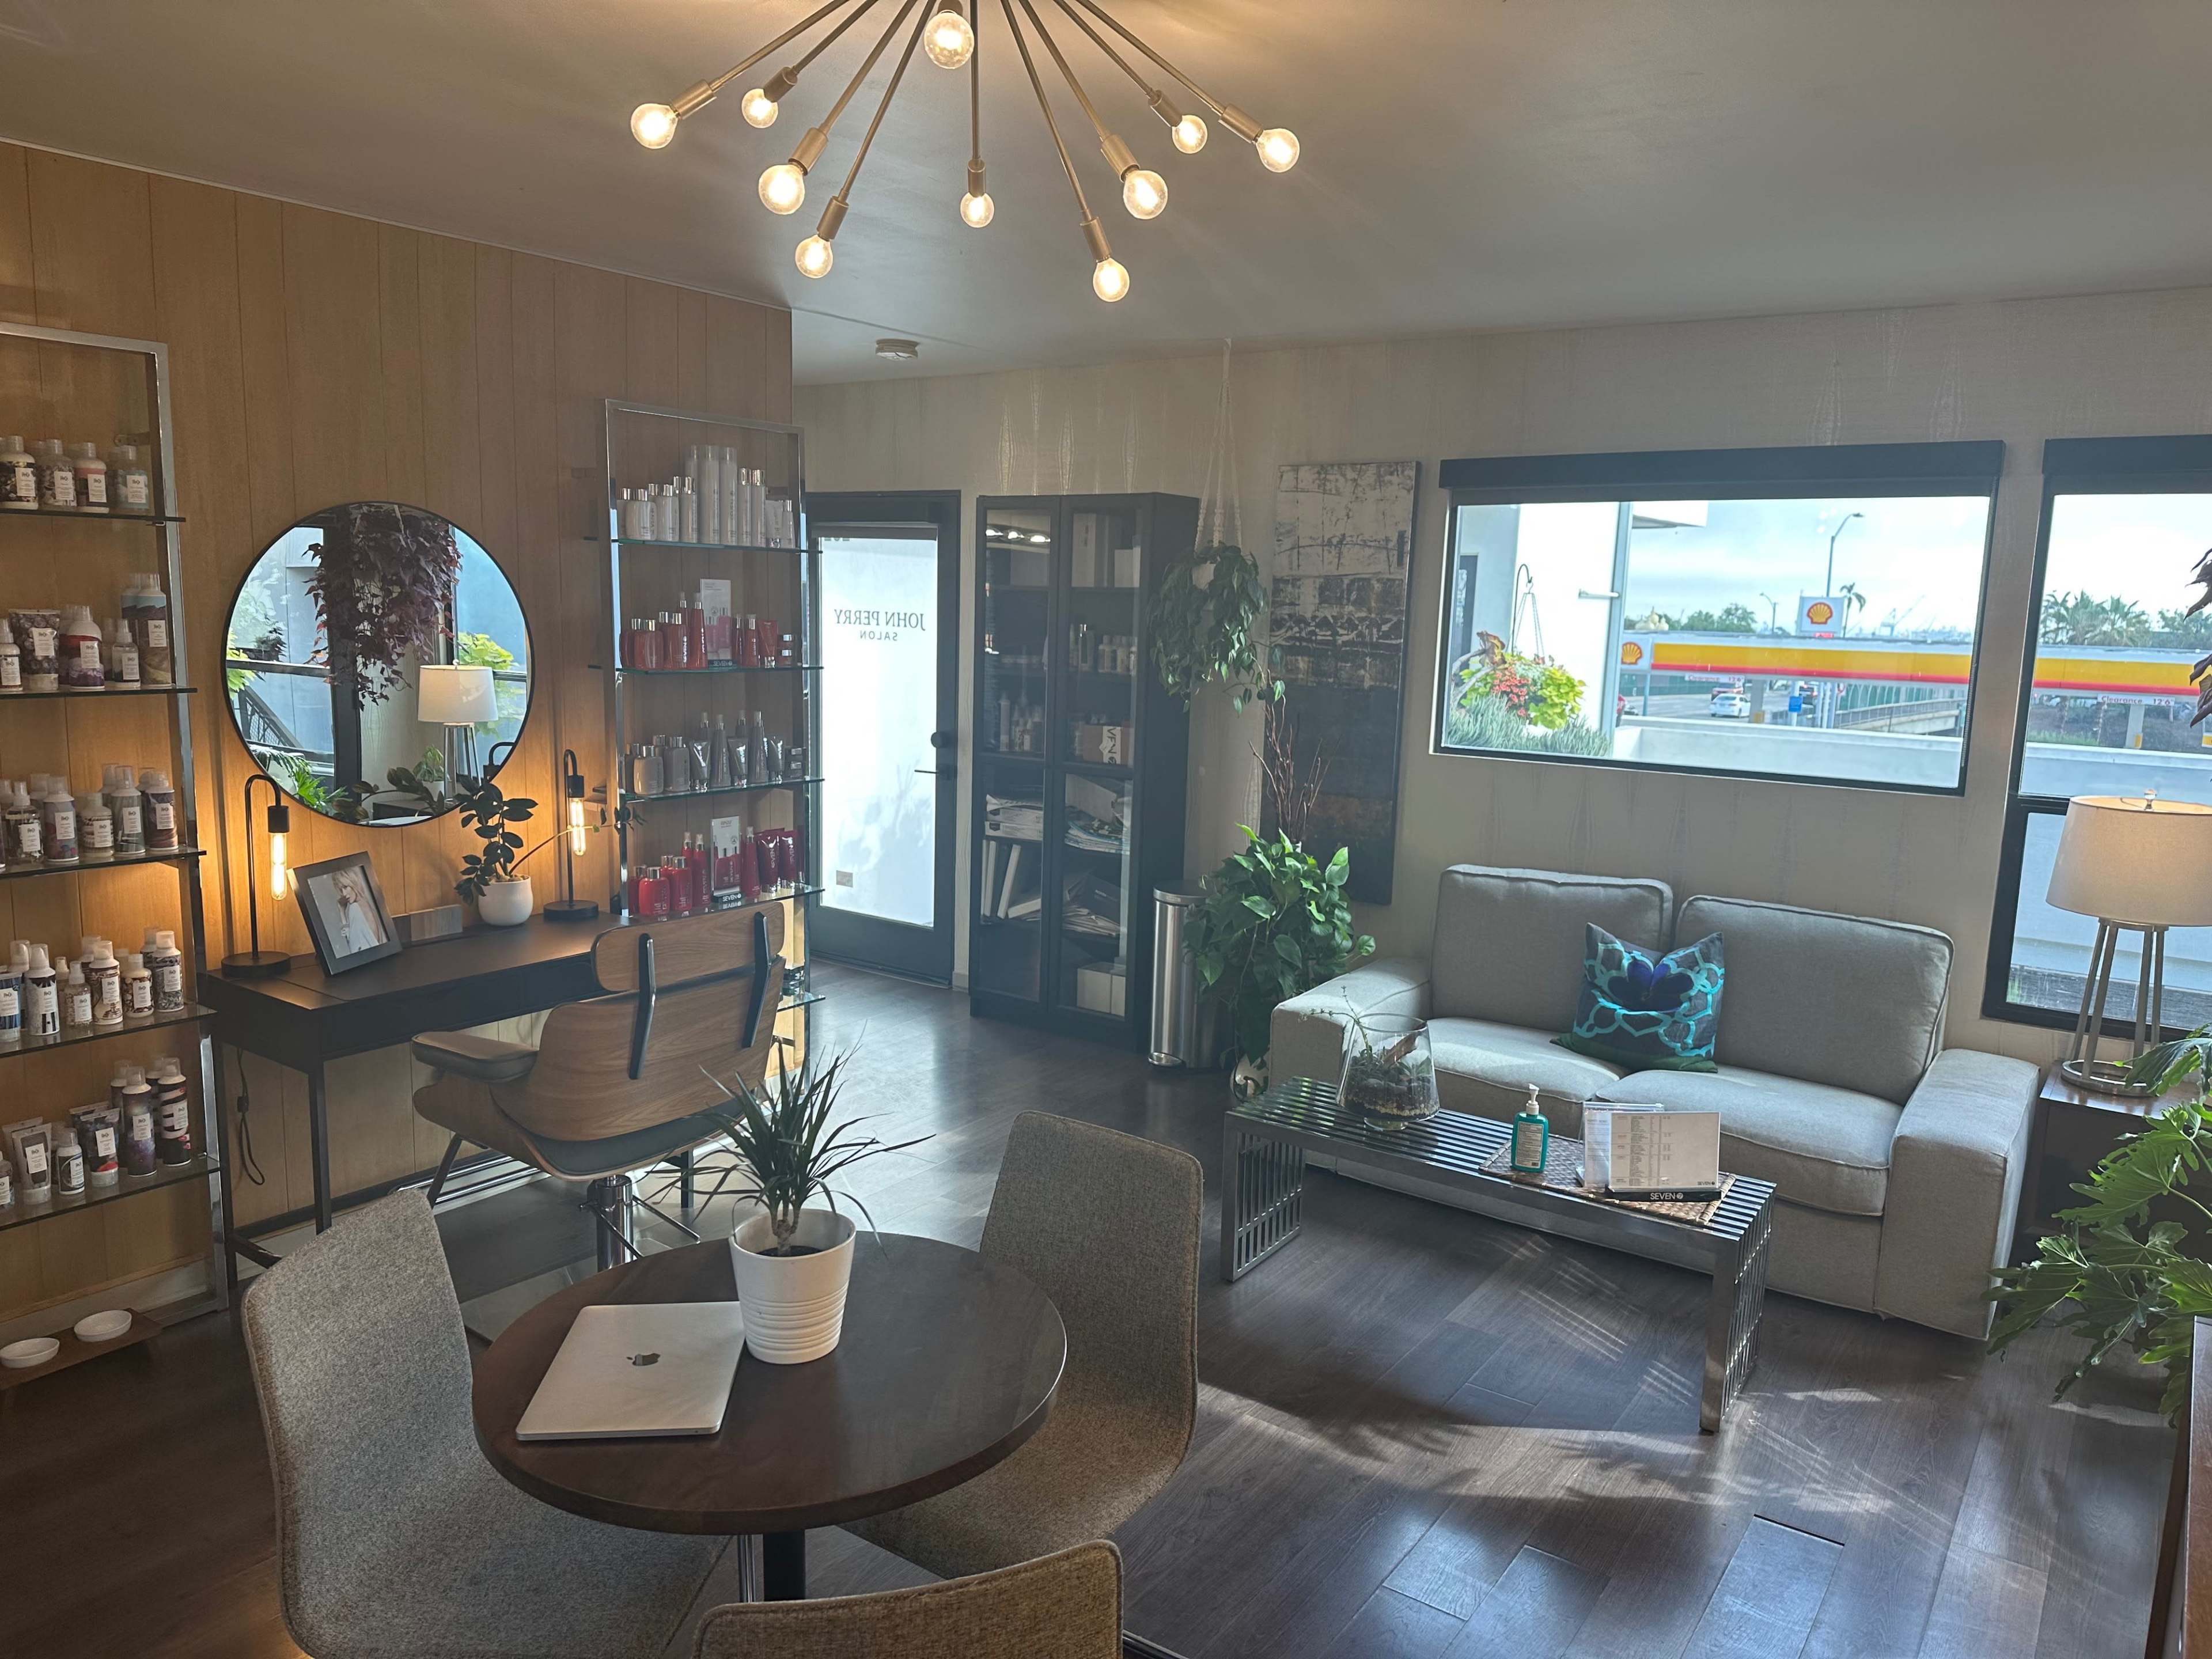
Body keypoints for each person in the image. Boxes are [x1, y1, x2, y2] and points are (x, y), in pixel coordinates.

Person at [329, 869, 384, 954]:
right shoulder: (368, 905)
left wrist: (342, 912)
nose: (344, 894)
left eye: (345, 887)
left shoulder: (355, 908)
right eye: (341, 890)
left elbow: (354, 951)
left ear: (353, 882)